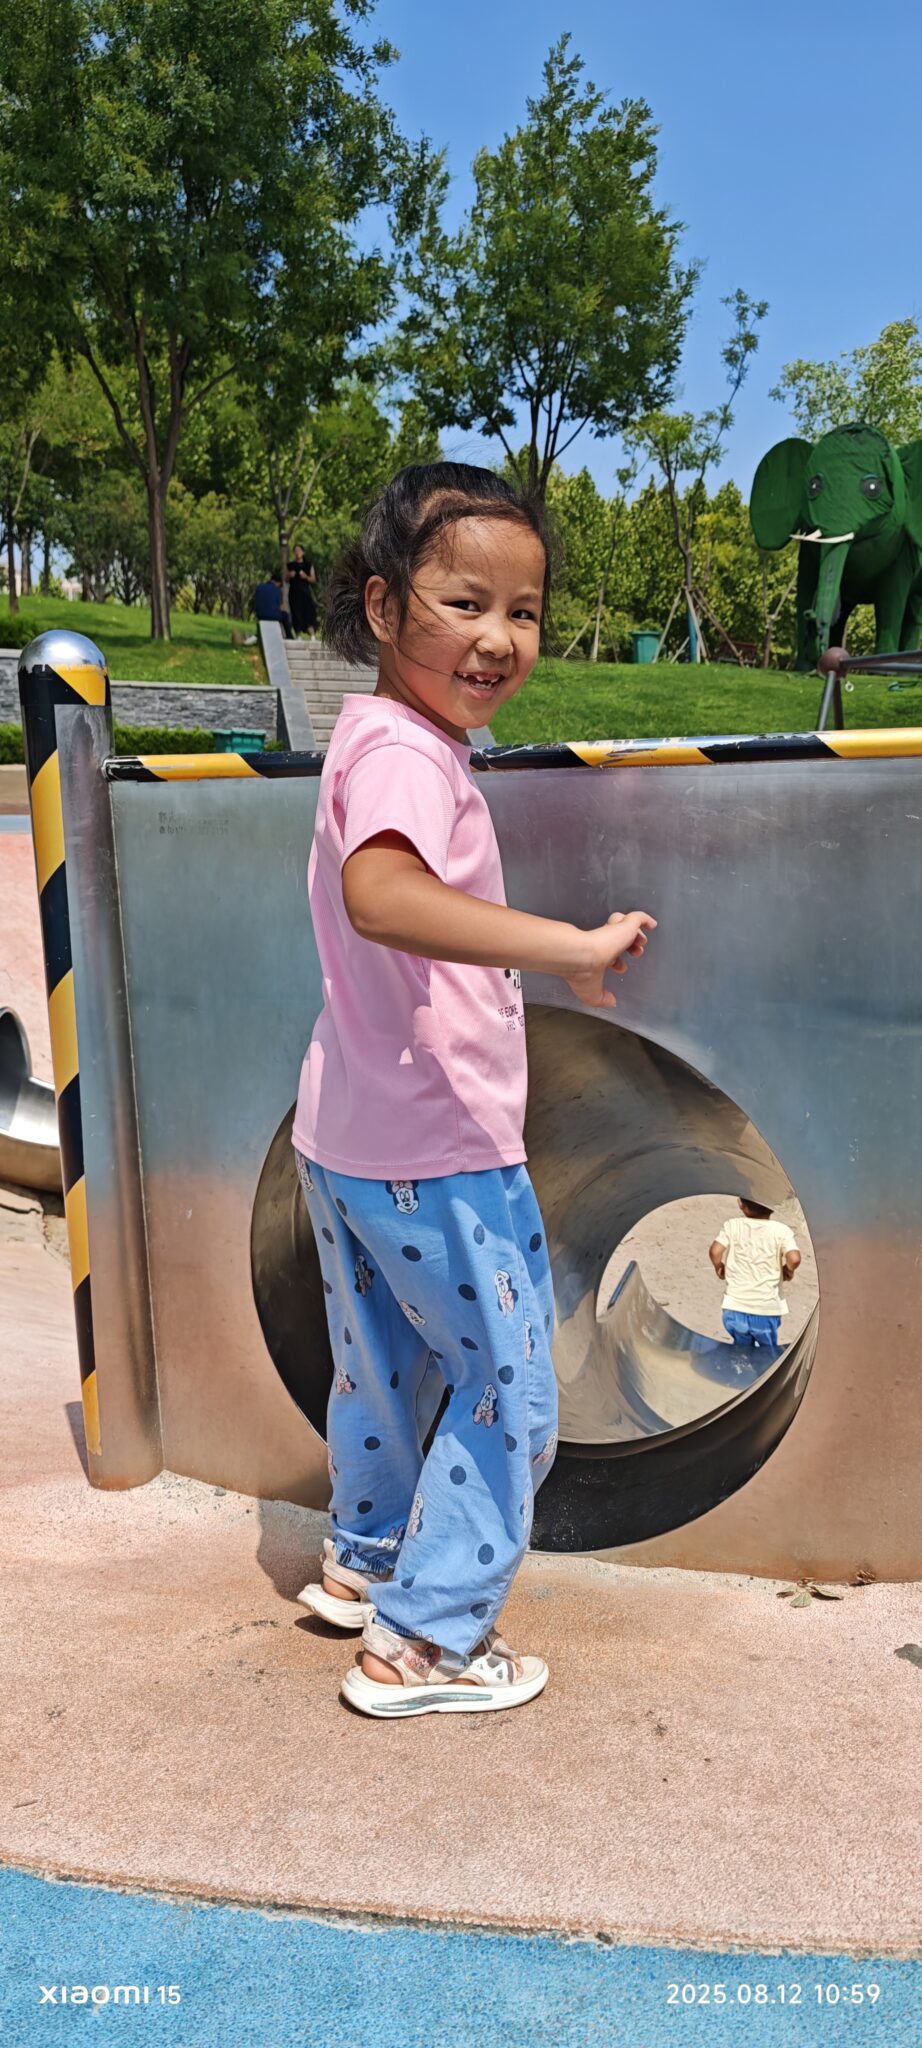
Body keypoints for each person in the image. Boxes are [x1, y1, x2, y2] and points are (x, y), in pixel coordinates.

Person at [292, 460, 656, 1719]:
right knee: (511, 1390)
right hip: (437, 1143)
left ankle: (367, 1557)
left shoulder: (375, 736)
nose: (499, 638)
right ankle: (425, 1643)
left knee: (382, 1364)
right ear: (382, 605)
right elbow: (382, 895)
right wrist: (569, 947)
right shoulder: (409, 757)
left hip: (349, 1131)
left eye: (524, 611)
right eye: (463, 603)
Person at [708, 1198, 801, 1355]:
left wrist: (719, 1267)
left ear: (741, 1204)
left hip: (735, 1307)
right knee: (768, 1353)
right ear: (773, 1207)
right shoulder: (781, 1230)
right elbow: (794, 1258)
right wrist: (789, 1270)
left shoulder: (732, 1225)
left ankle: (742, 1368)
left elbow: (715, 1251)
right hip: (766, 1310)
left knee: (741, 1352)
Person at [286, 542, 318, 637]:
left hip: (305, 592)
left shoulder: (308, 565)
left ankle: (312, 635)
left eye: (299, 550)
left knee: (308, 612)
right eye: (295, 551)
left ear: (303, 552)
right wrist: (289, 575)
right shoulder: (290, 565)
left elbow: (313, 579)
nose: (297, 552)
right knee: (296, 613)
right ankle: (298, 634)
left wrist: (305, 576)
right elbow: (285, 579)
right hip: (294, 593)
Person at [252, 568, 292, 638]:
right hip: (272, 616)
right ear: (278, 583)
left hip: (260, 615)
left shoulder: (259, 587)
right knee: (285, 615)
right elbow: (280, 607)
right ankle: (289, 636)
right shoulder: (277, 590)